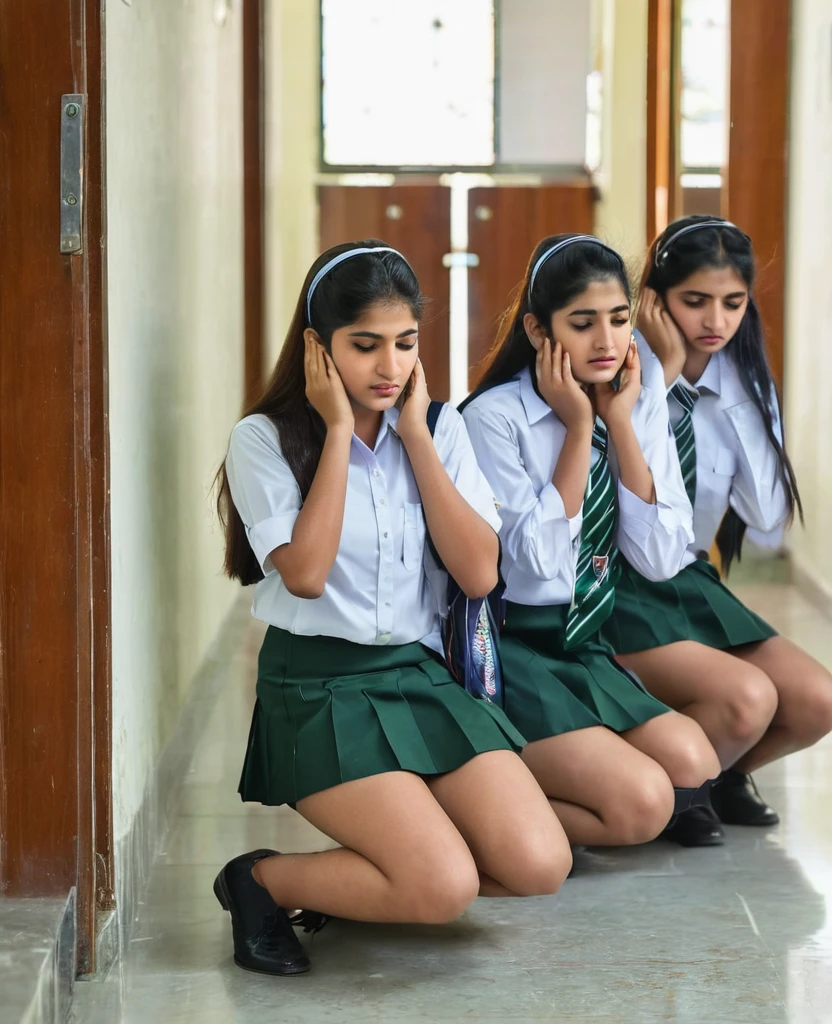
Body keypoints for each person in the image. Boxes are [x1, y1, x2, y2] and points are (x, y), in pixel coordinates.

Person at [213, 241, 571, 977]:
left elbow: (478, 574)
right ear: (318, 347)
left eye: (405, 344)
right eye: (365, 346)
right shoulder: (264, 439)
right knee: (442, 887)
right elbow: (306, 575)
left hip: (417, 674)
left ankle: (389, 875)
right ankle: (260, 879)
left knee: (539, 863)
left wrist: (415, 437)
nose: (389, 367)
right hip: (318, 687)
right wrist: (340, 432)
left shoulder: (438, 430)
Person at [461, 234, 721, 851]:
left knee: (694, 761)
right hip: (511, 643)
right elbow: (531, 571)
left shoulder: (638, 389)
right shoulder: (492, 419)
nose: (607, 342)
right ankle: (480, 810)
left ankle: (523, 795)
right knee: (642, 806)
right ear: (537, 329)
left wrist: (621, 423)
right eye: (582, 324)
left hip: (584, 639)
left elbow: (658, 560)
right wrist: (579, 430)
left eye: (619, 319)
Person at [602, 216, 832, 846]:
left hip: (688, 577)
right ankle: (683, 787)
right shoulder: (619, 367)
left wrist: (731, 391)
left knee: (817, 700)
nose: (716, 321)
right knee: (745, 699)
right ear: (656, 298)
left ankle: (716, 776)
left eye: (733, 303)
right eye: (695, 301)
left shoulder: (743, 378)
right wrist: (670, 378)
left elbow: (764, 522)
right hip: (615, 583)